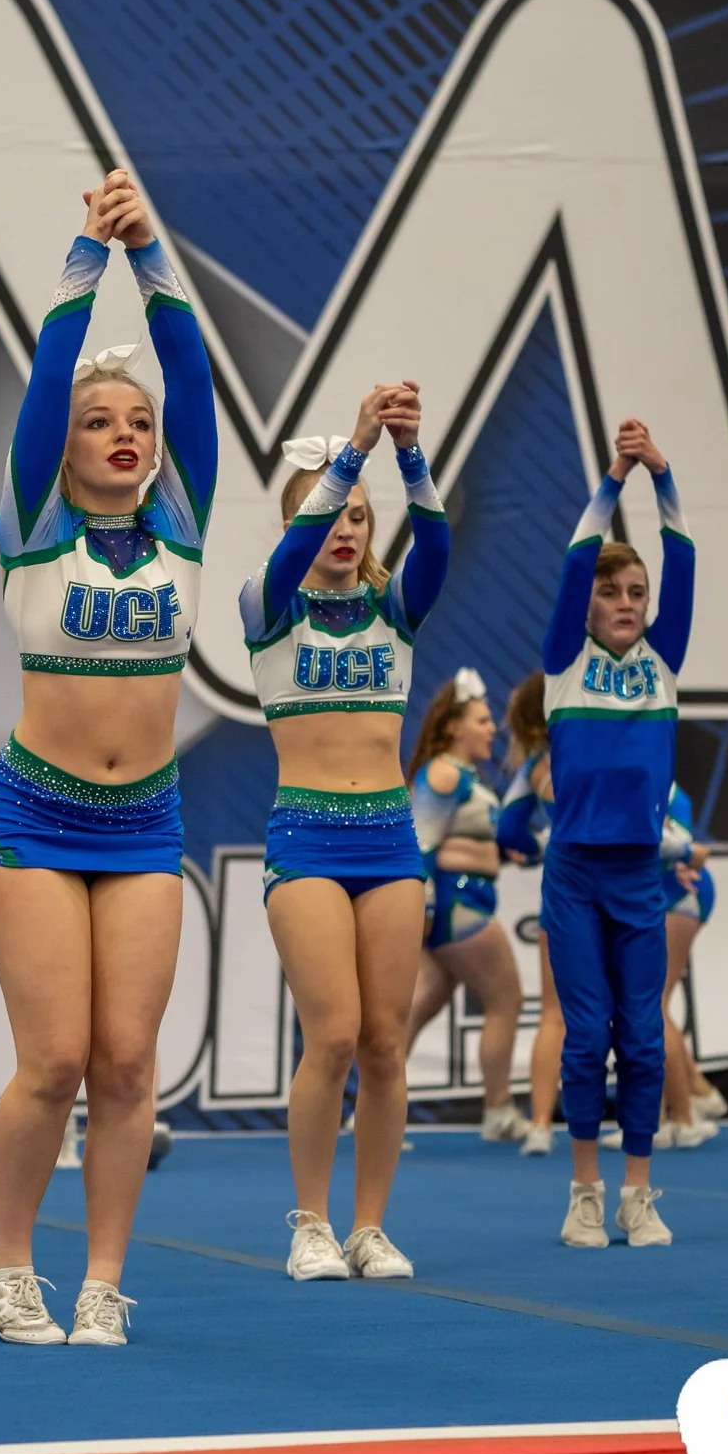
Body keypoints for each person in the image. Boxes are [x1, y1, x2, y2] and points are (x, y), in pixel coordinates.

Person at [0, 170, 215, 1346]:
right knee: (55, 1056)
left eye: (138, 424)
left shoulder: (182, 529)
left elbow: (194, 384)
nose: (125, 434)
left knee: (126, 1064)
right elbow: (45, 383)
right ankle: (11, 1263)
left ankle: (103, 1279)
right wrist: (88, 254)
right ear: (60, 448)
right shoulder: (33, 525)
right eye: (98, 421)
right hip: (33, 815)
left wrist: (151, 255)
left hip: (145, 822)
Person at [245, 389, 448, 1281]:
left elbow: (436, 546)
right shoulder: (268, 607)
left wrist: (408, 456)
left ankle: (369, 1226)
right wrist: (353, 454)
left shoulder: (394, 608)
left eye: (361, 517)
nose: (345, 528)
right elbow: (291, 554)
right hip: (306, 839)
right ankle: (311, 1223)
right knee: (331, 1033)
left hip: (389, 840)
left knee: (385, 1043)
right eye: (331, 513)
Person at [539, 419, 694, 1249]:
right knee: (584, 1032)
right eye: (612, 592)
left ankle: (638, 1190)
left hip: (640, 875)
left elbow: (684, 558)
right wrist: (613, 481)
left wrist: (662, 480)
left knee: (641, 1034)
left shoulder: (663, 664)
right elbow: (576, 559)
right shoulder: (564, 662)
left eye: (637, 592)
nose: (627, 602)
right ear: (588, 605)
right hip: (572, 873)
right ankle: (585, 1192)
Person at [404, 671, 527, 1145]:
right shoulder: (444, 773)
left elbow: (466, 843)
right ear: (453, 726)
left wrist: (509, 854)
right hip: (457, 903)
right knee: (506, 1000)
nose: (493, 729)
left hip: (461, 900)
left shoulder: (463, 777)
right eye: (481, 720)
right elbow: (421, 843)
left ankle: (370, 1112)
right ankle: (498, 1110)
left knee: (414, 1010)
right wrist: (424, 908)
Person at [493, 674, 563, 1156]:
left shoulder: (536, 767)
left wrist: (539, 848)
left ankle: (540, 1124)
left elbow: (507, 827)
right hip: (617, 885)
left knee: (554, 1016)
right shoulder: (599, 746)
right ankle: (651, 1120)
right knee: (630, 1008)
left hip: (563, 887)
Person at [654, 783, 723, 1147]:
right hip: (663, 891)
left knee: (650, 1006)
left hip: (678, 893)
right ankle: (687, 1099)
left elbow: (677, 842)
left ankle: (681, 1117)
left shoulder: (655, 780)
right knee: (647, 1006)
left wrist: (682, 853)